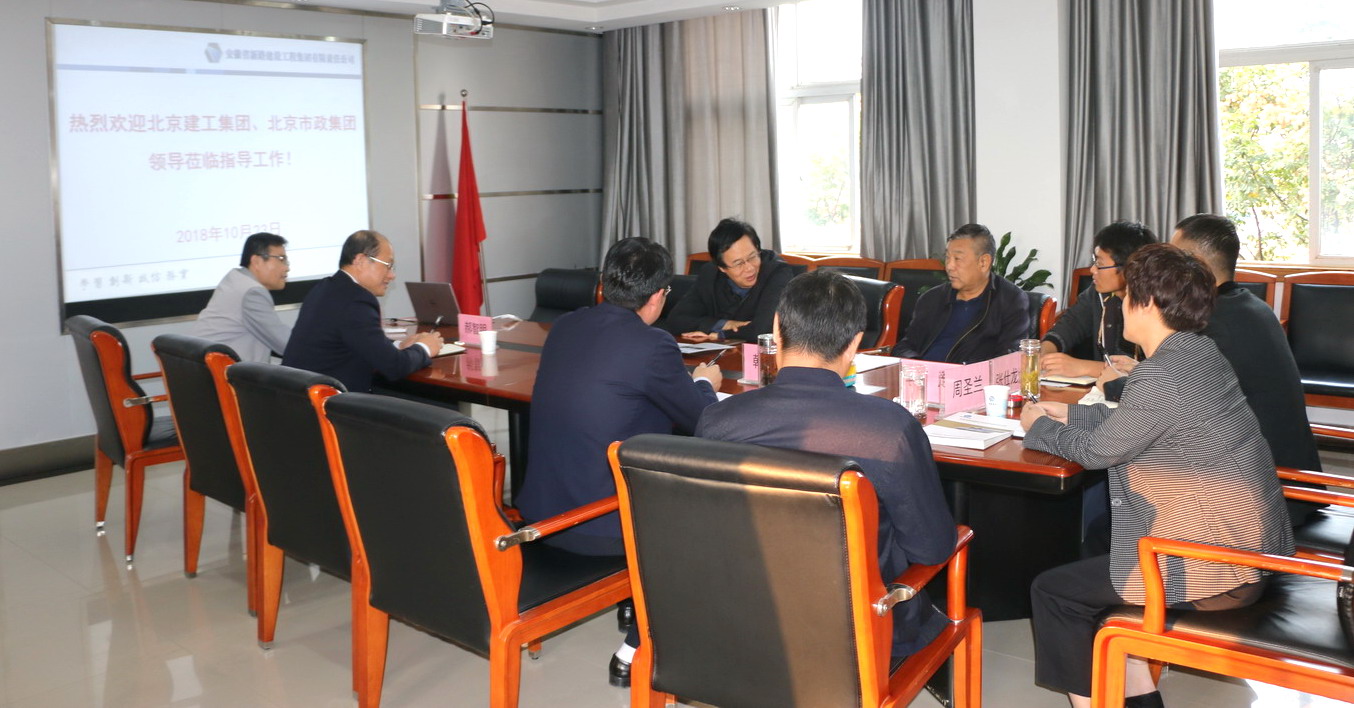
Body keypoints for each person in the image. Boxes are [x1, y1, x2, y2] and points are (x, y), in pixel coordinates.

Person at [1021, 243, 1294, 708]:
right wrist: (1070, 415)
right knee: (1101, 539)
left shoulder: (1161, 374)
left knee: (1055, 593)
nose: (1121, 304)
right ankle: (1137, 692)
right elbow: (1144, 423)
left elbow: (1099, 452)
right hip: (1248, 549)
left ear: (1146, 304)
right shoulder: (1198, 352)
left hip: (1215, 567)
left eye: (1127, 295)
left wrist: (1039, 427)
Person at [696, 270, 956, 658]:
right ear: (854, 344)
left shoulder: (717, 421)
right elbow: (931, 548)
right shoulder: (889, 430)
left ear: (777, 328)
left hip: (744, 622)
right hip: (859, 634)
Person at [513, 237, 721, 687]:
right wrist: (704, 382)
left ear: (604, 284)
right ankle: (635, 646)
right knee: (707, 511)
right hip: (599, 528)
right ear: (659, 295)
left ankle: (632, 599)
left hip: (541, 515)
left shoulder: (565, 327)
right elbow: (703, 419)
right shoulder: (653, 346)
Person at [1168, 213, 1323, 523]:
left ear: (1196, 263)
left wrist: (1114, 384)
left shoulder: (1213, 323)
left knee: (1122, 510)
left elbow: (1170, 398)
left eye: (1175, 259)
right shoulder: (1251, 307)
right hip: (1290, 485)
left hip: (1263, 501)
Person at [281, 230, 442, 392]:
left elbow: (357, 340)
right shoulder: (356, 300)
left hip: (297, 396)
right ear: (361, 261)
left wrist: (399, 345)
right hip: (326, 402)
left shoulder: (326, 287)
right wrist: (425, 347)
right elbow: (394, 366)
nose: (392, 275)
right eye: (388, 265)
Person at [891, 223, 1029, 363]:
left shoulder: (1010, 300)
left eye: (957, 259)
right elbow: (905, 346)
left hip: (970, 375)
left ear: (983, 262)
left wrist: (960, 371)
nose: (949, 266)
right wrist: (918, 365)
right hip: (922, 373)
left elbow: (1009, 357)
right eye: (947, 257)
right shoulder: (932, 298)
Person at [1040, 221, 1156, 379]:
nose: (1092, 269)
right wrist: (1045, 352)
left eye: (1099, 264)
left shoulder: (1156, 305)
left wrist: (1084, 367)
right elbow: (1070, 325)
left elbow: (1154, 373)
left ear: (1129, 268)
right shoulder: (1097, 294)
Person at [662, 218, 794, 341]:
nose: (749, 268)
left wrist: (720, 335)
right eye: (738, 263)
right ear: (722, 268)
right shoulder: (710, 274)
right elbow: (676, 320)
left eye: (752, 257)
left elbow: (764, 330)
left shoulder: (777, 273)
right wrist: (725, 324)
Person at [192, 232, 293, 363]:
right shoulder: (252, 293)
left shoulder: (236, 279)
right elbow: (286, 344)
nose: (287, 268)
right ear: (257, 261)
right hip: (222, 372)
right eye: (281, 259)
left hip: (206, 367)